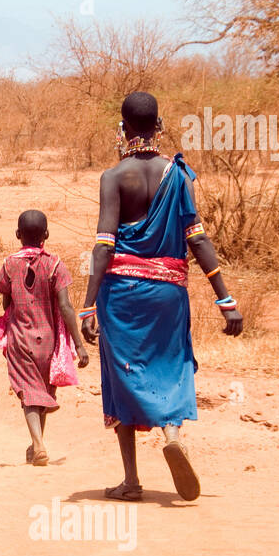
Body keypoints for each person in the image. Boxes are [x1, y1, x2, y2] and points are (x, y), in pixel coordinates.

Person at [79, 92, 243, 502]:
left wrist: (87, 304)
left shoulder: (114, 177)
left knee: (121, 377)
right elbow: (197, 239)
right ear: (160, 125)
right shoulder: (178, 175)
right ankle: (171, 434)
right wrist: (226, 300)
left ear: (122, 128)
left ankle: (131, 480)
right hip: (169, 293)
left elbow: (104, 245)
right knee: (170, 365)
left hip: (121, 295)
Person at [0, 209, 89, 466]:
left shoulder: (9, 264)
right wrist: (78, 345)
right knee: (43, 392)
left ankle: (37, 443)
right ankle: (38, 444)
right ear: (46, 234)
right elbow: (66, 307)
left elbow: (5, 302)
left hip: (19, 338)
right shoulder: (55, 264)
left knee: (29, 392)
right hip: (48, 340)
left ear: (17, 235)